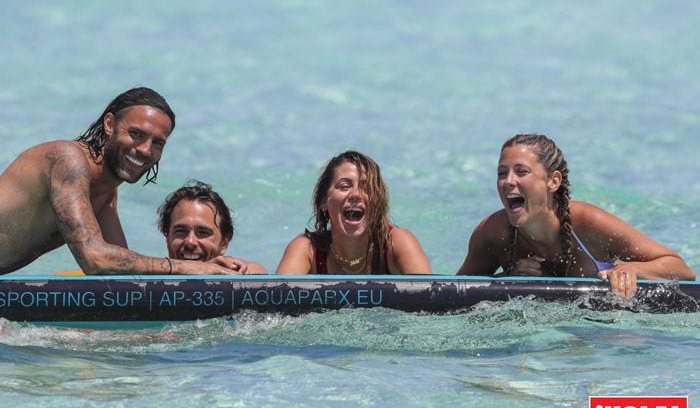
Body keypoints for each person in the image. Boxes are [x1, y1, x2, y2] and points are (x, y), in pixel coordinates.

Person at [0, 87, 239, 275]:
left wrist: (212, 270)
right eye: (136, 134)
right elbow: (95, 258)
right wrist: (184, 267)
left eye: (158, 143)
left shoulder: (106, 193)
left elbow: (122, 272)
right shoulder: (67, 161)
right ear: (109, 124)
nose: (145, 150)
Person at [456, 134, 696, 297]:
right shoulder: (493, 234)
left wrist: (633, 270)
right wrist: (507, 280)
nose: (508, 182)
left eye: (521, 171)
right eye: (501, 173)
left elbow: (682, 270)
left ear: (553, 181)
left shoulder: (588, 223)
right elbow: (454, 295)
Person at [276, 150, 431, 274]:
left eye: (366, 188)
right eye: (344, 186)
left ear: (378, 202)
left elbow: (433, 302)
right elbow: (274, 305)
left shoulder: (396, 243)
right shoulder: (308, 250)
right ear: (324, 201)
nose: (356, 194)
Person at [157, 181, 267, 273]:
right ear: (167, 235)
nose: (190, 242)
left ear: (224, 243)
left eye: (203, 232)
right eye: (180, 231)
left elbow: (256, 270)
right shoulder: (147, 278)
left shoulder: (240, 272)